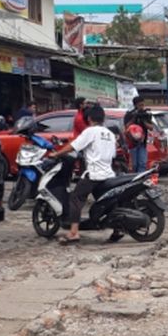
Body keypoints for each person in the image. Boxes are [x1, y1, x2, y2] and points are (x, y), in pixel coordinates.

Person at [46, 104, 117, 244]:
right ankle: (117, 229)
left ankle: (73, 232)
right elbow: (112, 154)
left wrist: (56, 153)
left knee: (75, 198)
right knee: (107, 202)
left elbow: (74, 145)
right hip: (108, 173)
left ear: (89, 118)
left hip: (94, 174)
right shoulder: (110, 134)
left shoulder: (90, 131)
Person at [124, 96, 155, 173]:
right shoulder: (129, 114)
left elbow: (151, 127)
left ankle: (141, 178)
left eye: (143, 105)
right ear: (135, 105)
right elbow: (126, 126)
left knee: (142, 163)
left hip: (142, 143)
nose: (142, 107)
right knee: (134, 165)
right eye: (140, 105)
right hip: (132, 143)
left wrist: (144, 121)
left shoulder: (145, 114)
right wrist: (134, 117)